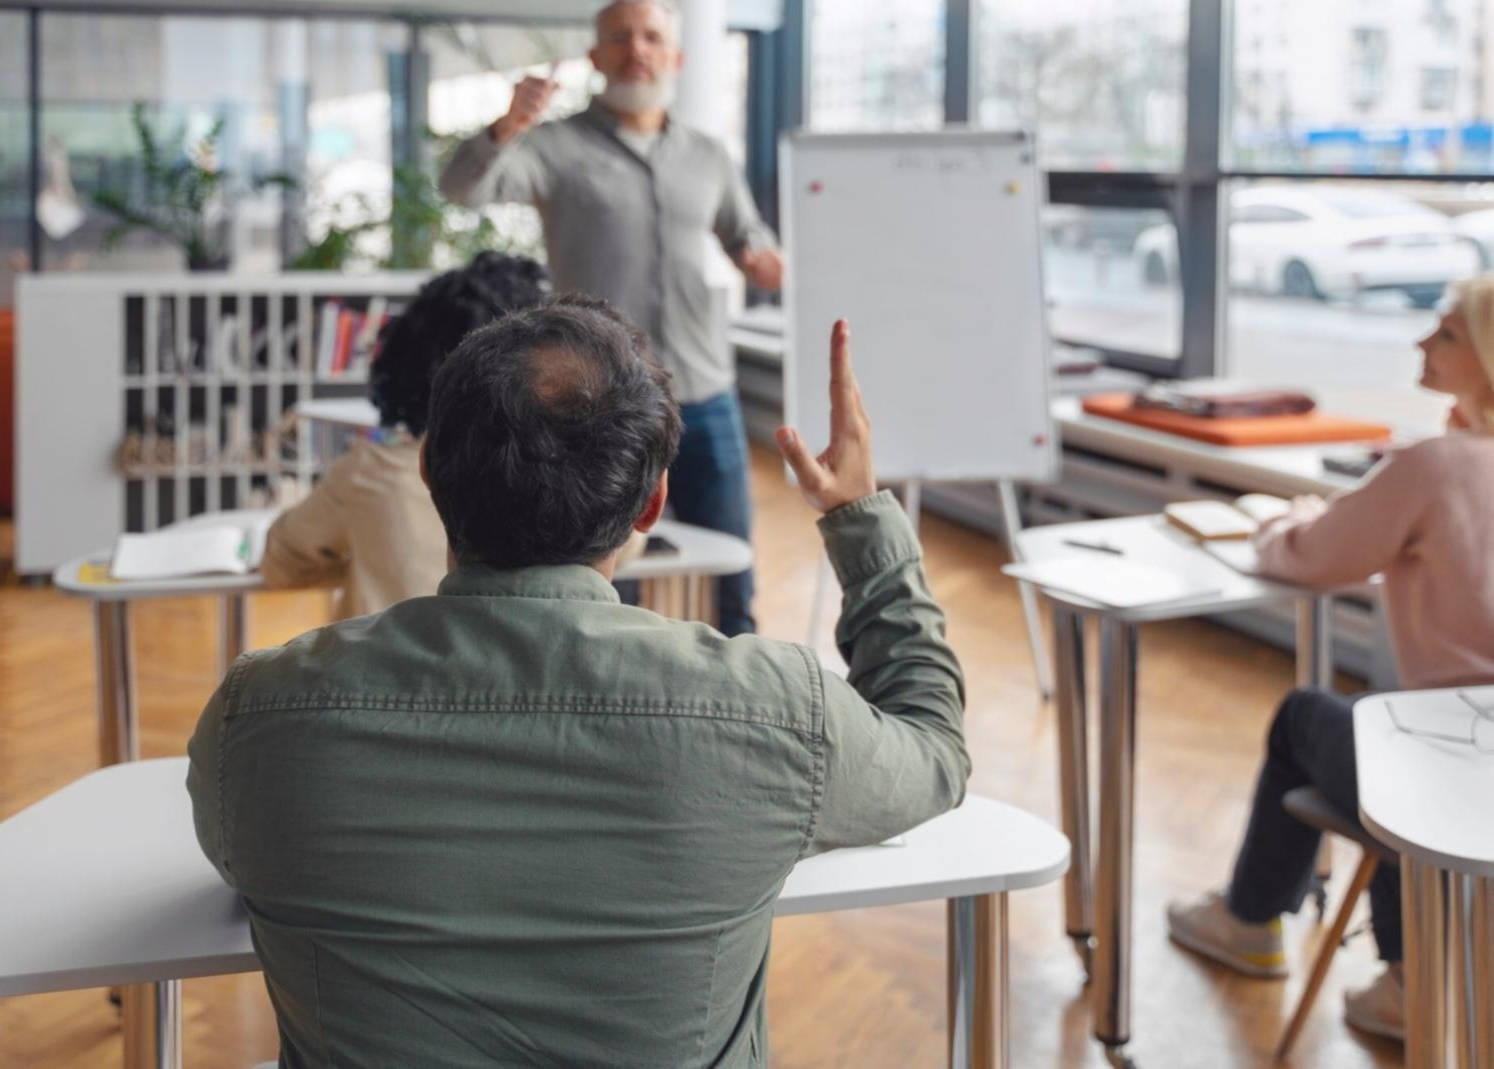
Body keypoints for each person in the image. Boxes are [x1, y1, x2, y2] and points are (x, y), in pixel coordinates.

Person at [186, 298, 968, 1068]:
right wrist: (861, 517)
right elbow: (933, 746)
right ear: (651, 502)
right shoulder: (774, 714)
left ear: (430, 472)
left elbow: (240, 864)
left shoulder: (260, 720)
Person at [1166, 277, 1494, 1042]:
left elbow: (1310, 557)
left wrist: (1283, 522)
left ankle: (1266, 926)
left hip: (1454, 768)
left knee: (1309, 716)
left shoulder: (1440, 465)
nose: (1421, 343)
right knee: (1373, 731)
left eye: (1445, 333)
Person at [440, 0, 784, 638]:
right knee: (600, 574)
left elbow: (747, 236)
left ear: (675, 56)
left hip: (705, 392)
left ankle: (743, 693)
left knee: (731, 564)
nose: (638, 49)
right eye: (621, 37)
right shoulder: (553, 145)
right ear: (597, 57)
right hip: (602, 404)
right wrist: (507, 124)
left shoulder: (709, 155)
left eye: (653, 36)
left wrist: (764, 261)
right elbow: (464, 187)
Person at [259, 252, 549, 618]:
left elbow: (282, 564)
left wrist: (356, 560)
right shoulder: (563, 482)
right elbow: (619, 545)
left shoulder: (370, 472)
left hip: (385, 670)